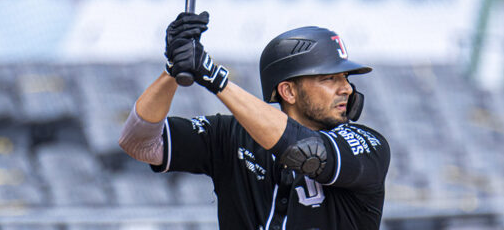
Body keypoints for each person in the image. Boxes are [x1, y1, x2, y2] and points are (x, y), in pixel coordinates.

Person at [118, 12, 390, 230]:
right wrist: (174, 69)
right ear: (288, 91)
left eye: (346, 78)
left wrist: (215, 79)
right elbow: (138, 143)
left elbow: (305, 151)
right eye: (330, 78)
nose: (347, 89)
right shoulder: (230, 135)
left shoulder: (367, 145)